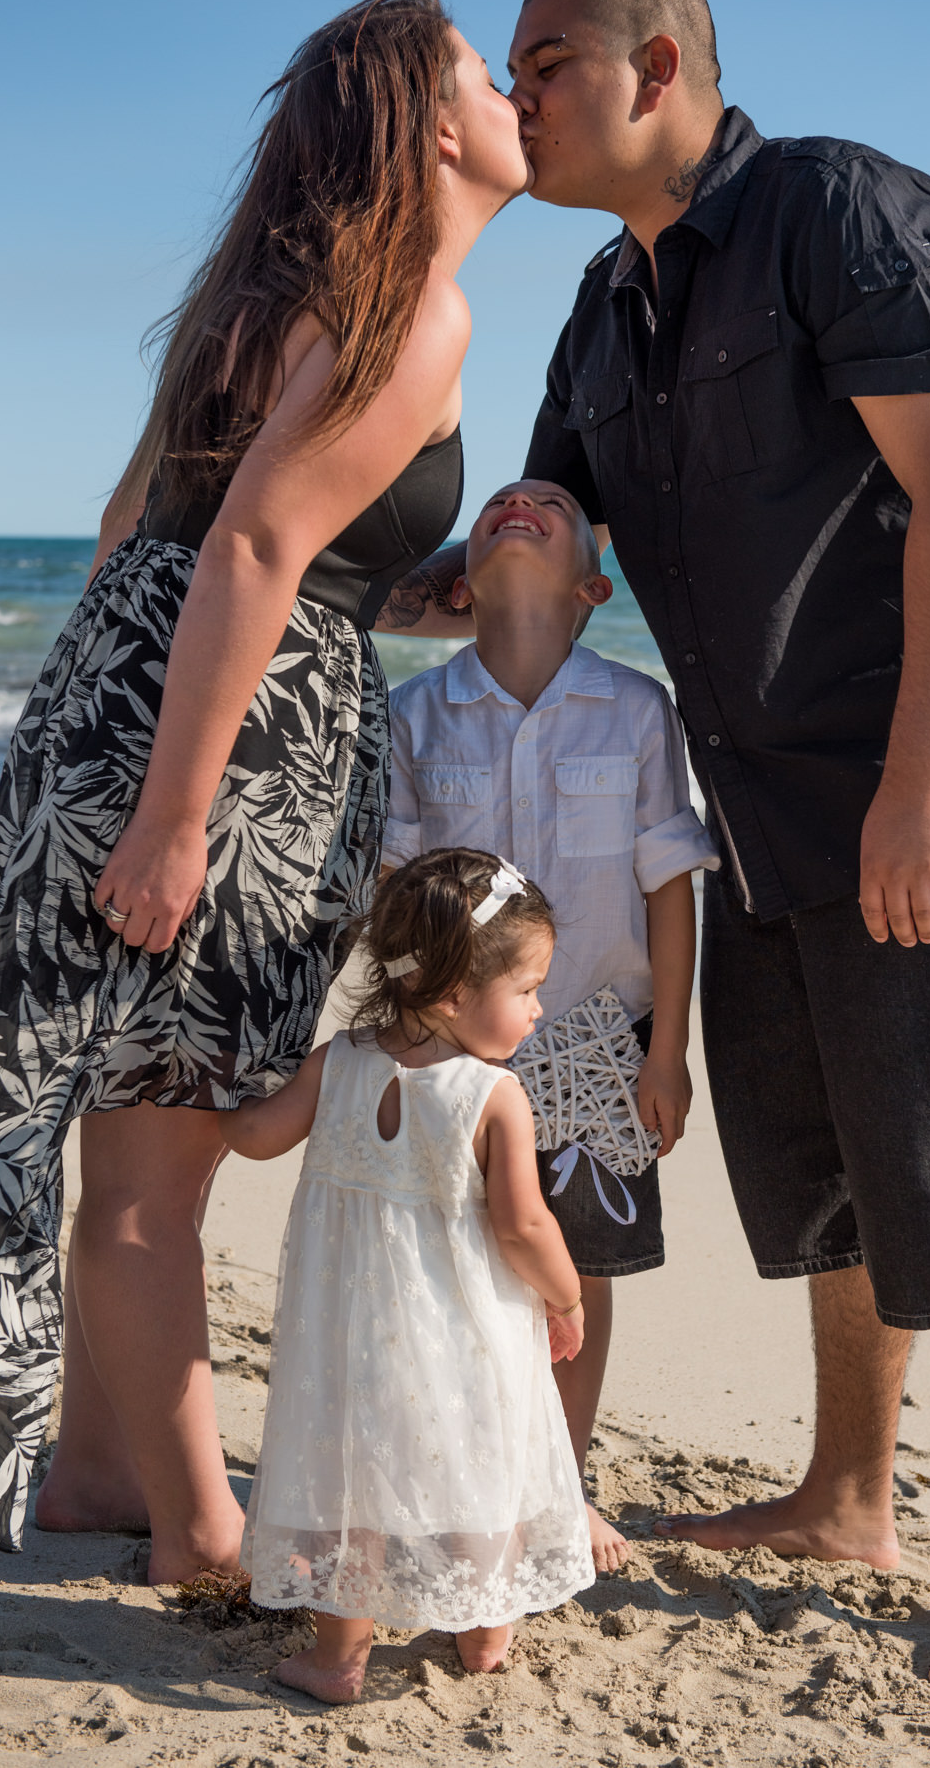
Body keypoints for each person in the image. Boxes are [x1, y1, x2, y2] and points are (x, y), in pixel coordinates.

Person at [381, 0, 930, 1698]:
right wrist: (304, 568)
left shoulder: (839, 213)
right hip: (755, 798)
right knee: (829, 1163)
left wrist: (923, 780)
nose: (522, 93)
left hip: (924, 775)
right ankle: (849, 1495)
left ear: (661, 65)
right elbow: (532, 555)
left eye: (543, 62)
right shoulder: (601, 312)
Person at [0, 0, 531, 1578]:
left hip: (119, 696)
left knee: (116, 1121)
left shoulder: (252, 300)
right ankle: (196, 1531)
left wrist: (394, 594)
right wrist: (178, 814)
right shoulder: (417, 312)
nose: (513, 88)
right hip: (226, 753)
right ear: (434, 122)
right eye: (484, 69)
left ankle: (97, 1479)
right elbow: (254, 545)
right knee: (154, 1149)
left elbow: (160, 533)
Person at [383, 477, 716, 1573]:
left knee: (577, 1277)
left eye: (551, 503)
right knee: (458, 1271)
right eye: (495, 505)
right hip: (453, 1053)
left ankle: (556, 1485)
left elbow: (671, 884)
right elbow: (395, 889)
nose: (517, 500)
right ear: (460, 584)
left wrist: (667, 1049)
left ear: (592, 586)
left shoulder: (635, 709)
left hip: (598, 1048)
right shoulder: (418, 715)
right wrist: (402, 1037)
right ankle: (463, 1477)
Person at [218, 848, 594, 1701]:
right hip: (466, 1334)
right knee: (477, 1462)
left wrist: (206, 1096)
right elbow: (524, 1224)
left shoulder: (339, 1061)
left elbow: (257, 1136)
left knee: (356, 1480)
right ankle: (484, 1628)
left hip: (351, 1333)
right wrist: (567, 1298)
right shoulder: (491, 1095)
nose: (539, 1008)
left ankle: (336, 1658)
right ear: (454, 995)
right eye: (528, 989)